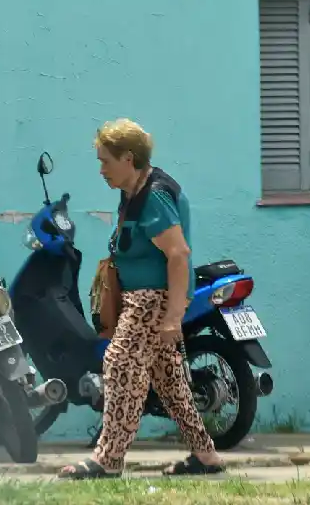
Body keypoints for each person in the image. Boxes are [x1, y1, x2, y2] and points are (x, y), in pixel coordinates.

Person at [59, 118, 225, 480]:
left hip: (152, 299)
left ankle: (108, 459)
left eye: (106, 161)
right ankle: (205, 456)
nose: (101, 169)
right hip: (141, 297)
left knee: (119, 364)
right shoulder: (133, 190)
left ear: (128, 158)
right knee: (169, 381)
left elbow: (178, 254)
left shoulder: (154, 196)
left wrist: (172, 317)